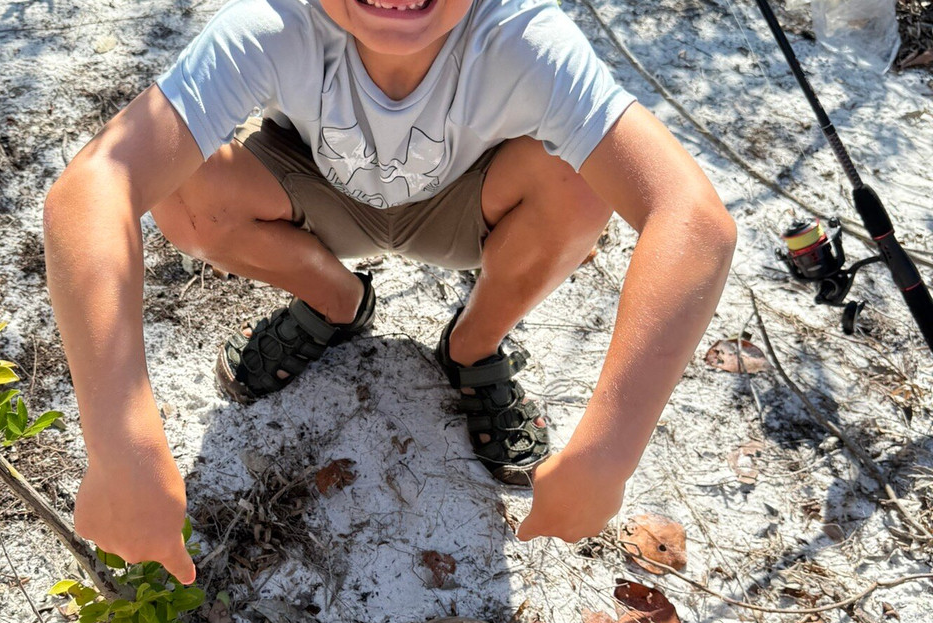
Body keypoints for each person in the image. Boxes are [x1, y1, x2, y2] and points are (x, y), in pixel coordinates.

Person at [43, 0, 737, 585]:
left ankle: (474, 343)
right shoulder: (274, 23)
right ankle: (336, 301)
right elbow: (94, 186)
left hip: (469, 207)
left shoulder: (521, 34)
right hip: (319, 194)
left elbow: (692, 219)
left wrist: (607, 452)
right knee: (182, 187)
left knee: (584, 181)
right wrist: (120, 445)